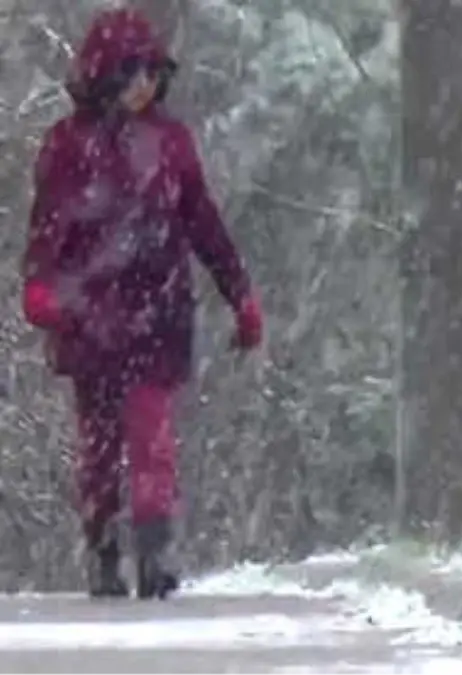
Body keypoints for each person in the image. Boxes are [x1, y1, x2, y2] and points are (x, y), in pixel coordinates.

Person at [21, 8, 263, 598]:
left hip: (157, 313)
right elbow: (48, 227)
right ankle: (103, 548)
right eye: (131, 74)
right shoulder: (68, 145)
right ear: (104, 76)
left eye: (151, 74)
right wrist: (41, 287)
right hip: (88, 317)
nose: (143, 87)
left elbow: (203, 222)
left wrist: (240, 294)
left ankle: (155, 553)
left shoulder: (170, 143)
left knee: (152, 436)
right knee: (100, 442)